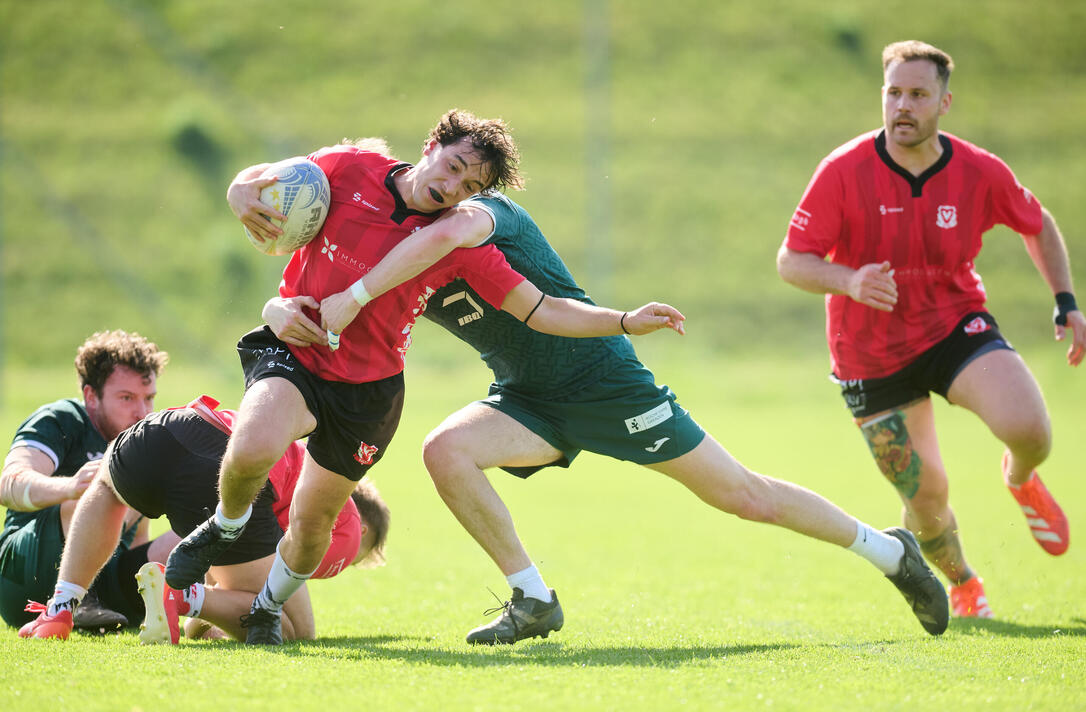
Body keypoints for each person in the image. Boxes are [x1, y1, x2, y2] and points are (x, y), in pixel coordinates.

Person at [264, 189, 952, 644]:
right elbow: (315, 292)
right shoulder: (391, 251)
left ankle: (891, 551)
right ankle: (532, 599)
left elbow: (485, 251)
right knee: (445, 450)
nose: (450, 184)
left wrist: (625, 320)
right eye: (443, 165)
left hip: (603, 382)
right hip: (527, 397)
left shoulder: (480, 218)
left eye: (466, 172)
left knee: (743, 496)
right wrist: (280, 307)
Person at [165, 109, 685, 645]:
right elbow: (257, 182)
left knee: (313, 522)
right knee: (253, 448)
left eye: (471, 185)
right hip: (298, 352)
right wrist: (239, 195)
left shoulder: (457, 243)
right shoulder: (349, 167)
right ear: (432, 145)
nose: (453, 186)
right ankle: (225, 524)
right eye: (454, 165)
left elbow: (544, 309)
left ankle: (267, 609)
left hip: (368, 390)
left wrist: (624, 321)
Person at [776, 40, 1084, 619]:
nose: (903, 105)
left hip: (952, 326)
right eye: (893, 92)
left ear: (945, 101)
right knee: (926, 501)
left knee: (1031, 430)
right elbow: (791, 260)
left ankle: (1019, 479)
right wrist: (848, 279)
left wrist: (1065, 300)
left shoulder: (977, 171)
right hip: (868, 355)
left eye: (918, 94)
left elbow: (1036, 222)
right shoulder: (843, 171)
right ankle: (964, 582)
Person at [18, 395, 389, 642]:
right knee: (293, 631)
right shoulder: (348, 526)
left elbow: (212, 610)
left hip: (169, 425)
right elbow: (275, 592)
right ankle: (177, 594)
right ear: (365, 530)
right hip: (222, 470)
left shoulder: (301, 462)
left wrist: (206, 618)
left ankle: (61, 607)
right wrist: (194, 604)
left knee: (108, 488)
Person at [0, 330, 172, 632]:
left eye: (149, 398)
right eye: (127, 398)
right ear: (91, 395)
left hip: (104, 581)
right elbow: (9, 485)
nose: (142, 412)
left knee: (202, 525)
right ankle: (77, 599)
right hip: (21, 575)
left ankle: (202, 609)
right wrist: (72, 487)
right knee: (100, 490)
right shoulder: (62, 420)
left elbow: (138, 536)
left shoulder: (139, 441)